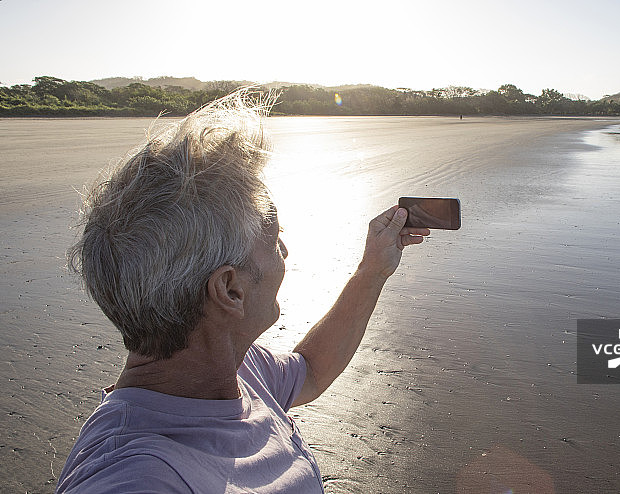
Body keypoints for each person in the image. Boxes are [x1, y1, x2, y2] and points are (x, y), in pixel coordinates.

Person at [57, 90, 430, 493]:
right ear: (230, 290)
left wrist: (372, 270)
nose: (284, 251)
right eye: (274, 240)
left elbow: (310, 371)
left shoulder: (236, 365)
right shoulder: (137, 476)